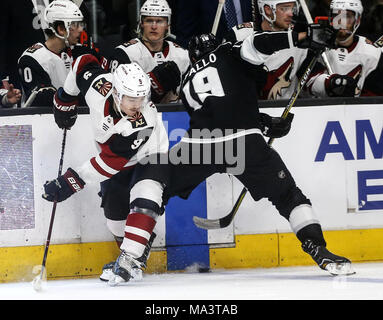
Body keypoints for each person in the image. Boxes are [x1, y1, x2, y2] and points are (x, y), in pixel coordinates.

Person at [158, 33, 354, 279]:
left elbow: (216, 108)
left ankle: (133, 250)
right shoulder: (228, 52)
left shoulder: (187, 81)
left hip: (199, 144)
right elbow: (259, 45)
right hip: (244, 142)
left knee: (157, 187)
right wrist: (299, 37)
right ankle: (318, 248)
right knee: (287, 196)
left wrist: (260, 122)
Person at [41, 53, 169, 285]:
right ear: (116, 92)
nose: (138, 105)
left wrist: (69, 182)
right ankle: (138, 246)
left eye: (142, 98)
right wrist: (65, 98)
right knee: (115, 220)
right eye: (131, 98)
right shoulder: (98, 88)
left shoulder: (143, 122)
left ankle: (131, 259)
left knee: (146, 199)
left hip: (151, 155)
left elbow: (109, 164)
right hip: (115, 161)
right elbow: (82, 62)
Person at [237, 0, 360, 100]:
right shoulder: (240, 34)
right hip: (243, 115)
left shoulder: (301, 41)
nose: (291, 13)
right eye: (284, 8)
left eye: (292, 8)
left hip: (282, 116)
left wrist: (332, 84)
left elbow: (310, 78)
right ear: (268, 9)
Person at [106, 0, 190, 104]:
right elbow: (112, 99)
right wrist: (153, 86)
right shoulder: (124, 54)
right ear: (141, 23)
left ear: (167, 25)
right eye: (149, 20)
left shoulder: (182, 55)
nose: (154, 26)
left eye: (159, 21)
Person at [17, 0, 97, 107]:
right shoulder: (31, 59)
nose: (80, 30)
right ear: (61, 29)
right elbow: (41, 101)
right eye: (75, 25)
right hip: (41, 121)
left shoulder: (81, 53)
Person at [306, 0, 383, 97]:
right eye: (337, 16)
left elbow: (375, 94)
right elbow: (307, 83)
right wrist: (330, 83)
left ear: (357, 20)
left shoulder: (371, 52)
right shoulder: (316, 44)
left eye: (347, 16)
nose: (341, 22)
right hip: (318, 109)